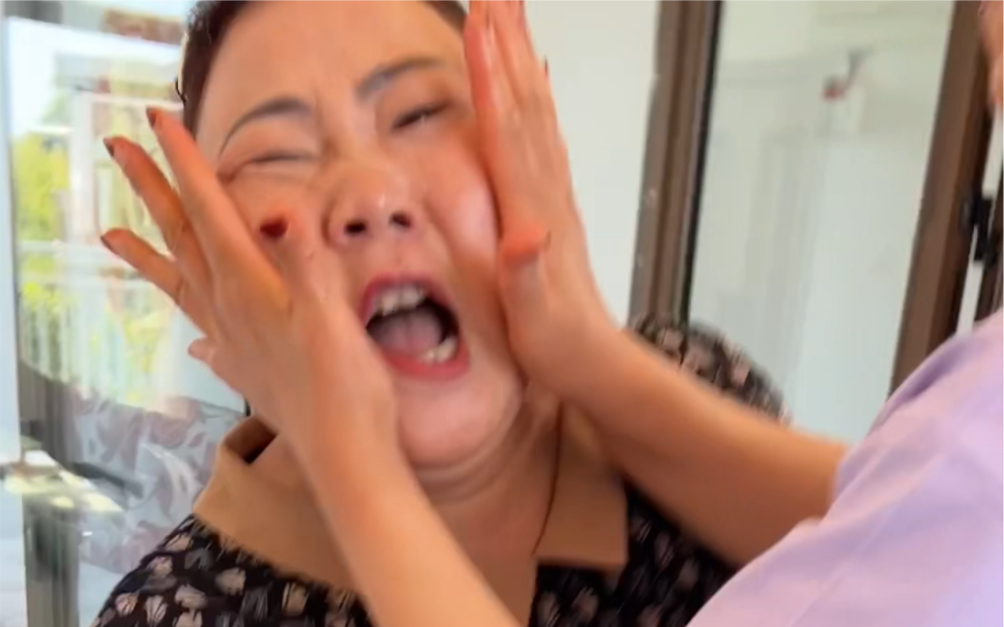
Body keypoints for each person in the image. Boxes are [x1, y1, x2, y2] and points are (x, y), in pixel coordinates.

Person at [96, 1, 1002, 627]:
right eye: (274, 155)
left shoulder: (693, 383)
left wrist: (591, 361)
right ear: (205, 260)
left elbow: (913, 534)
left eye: (420, 113)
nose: (369, 196)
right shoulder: (171, 612)